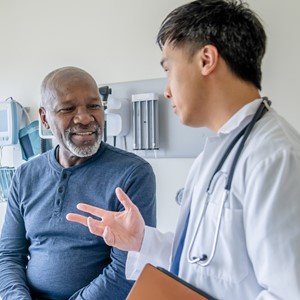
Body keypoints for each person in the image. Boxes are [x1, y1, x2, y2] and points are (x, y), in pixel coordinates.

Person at [66, 1, 300, 299]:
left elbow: (288, 292)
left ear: (206, 60)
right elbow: (205, 261)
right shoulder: (215, 152)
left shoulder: (276, 158)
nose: (166, 90)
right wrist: (142, 241)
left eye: (169, 69)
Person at [0, 66, 156, 300]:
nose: (84, 117)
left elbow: (127, 269)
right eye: (68, 108)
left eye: (94, 106)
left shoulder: (132, 174)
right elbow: (9, 255)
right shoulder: (25, 176)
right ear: (44, 118)